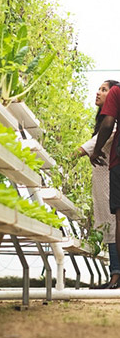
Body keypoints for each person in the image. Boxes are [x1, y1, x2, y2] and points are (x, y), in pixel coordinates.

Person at [78, 80, 120, 288]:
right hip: (104, 180)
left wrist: (75, 153)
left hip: (109, 179)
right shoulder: (104, 124)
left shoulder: (111, 126)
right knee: (110, 225)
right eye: (99, 88)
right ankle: (114, 274)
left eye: (104, 90)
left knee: (113, 224)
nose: (98, 92)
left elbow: (90, 145)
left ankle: (115, 276)